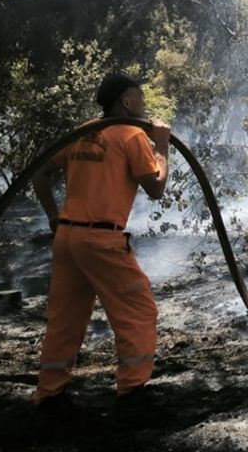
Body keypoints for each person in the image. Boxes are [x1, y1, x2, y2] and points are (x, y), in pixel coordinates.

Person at [30, 72, 170, 409]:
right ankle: (133, 390)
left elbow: (39, 170)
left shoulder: (85, 131)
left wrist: (53, 215)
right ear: (126, 102)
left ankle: (50, 393)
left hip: (67, 237)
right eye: (140, 95)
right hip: (101, 240)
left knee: (65, 316)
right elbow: (155, 188)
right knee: (138, 309)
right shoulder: (132, 135)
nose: (144, 102)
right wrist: (162, 147)